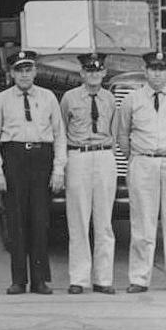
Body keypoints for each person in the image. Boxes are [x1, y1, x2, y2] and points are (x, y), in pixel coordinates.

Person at [116, 48, 166, 294]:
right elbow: (122, 134)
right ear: (145, 71)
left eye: (162, 69)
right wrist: (138, 157)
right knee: (142, 222)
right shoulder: (132, 100)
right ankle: (139, 279)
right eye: (153, 69)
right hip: (143, 162)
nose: (157, 74)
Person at [0, 49, 67, 295]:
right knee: (16, 221)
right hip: (14, 158)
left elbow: (59, 134)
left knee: (40, 220)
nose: (24, 75)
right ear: (11, 73)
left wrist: (59, 169)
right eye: (19, 70)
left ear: (35, 71)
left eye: (28, 69)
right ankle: (18, 280)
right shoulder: (1, 100)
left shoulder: (48, 97)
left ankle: (40, 280)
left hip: (42, 158)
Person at [60, 52, 119, 295]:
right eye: (89, 70)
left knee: (104, 222)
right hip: (79, 155)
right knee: (78, 220)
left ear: (104, 73)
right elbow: (62, 129)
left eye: (98, 70)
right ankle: (79, 278)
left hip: (103, 155)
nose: (94, 74)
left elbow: (115, 130)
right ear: (82, 73)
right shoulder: (70, 98)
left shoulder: (110, 99)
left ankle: (103, 279)